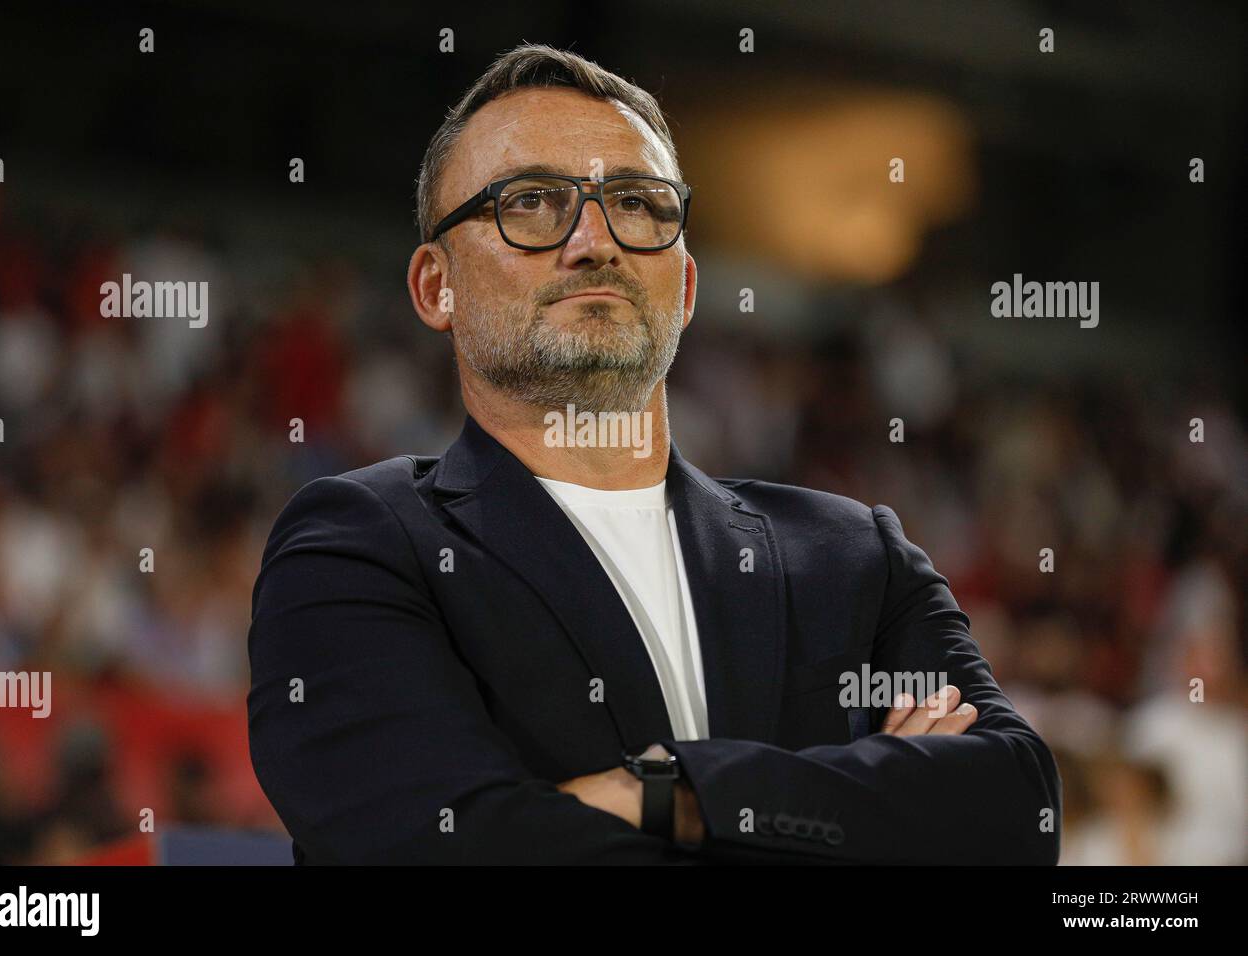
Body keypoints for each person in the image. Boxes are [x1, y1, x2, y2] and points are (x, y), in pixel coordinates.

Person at [246, 43, 1061, 864]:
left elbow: (1015, 813)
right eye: (530, 201)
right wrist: (852, 809)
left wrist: (671, 792)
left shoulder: (852, 556)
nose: (595, 241)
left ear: (689, 286)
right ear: (434, 287)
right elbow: (449, 848)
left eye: (637, 203)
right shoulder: (358, 548)